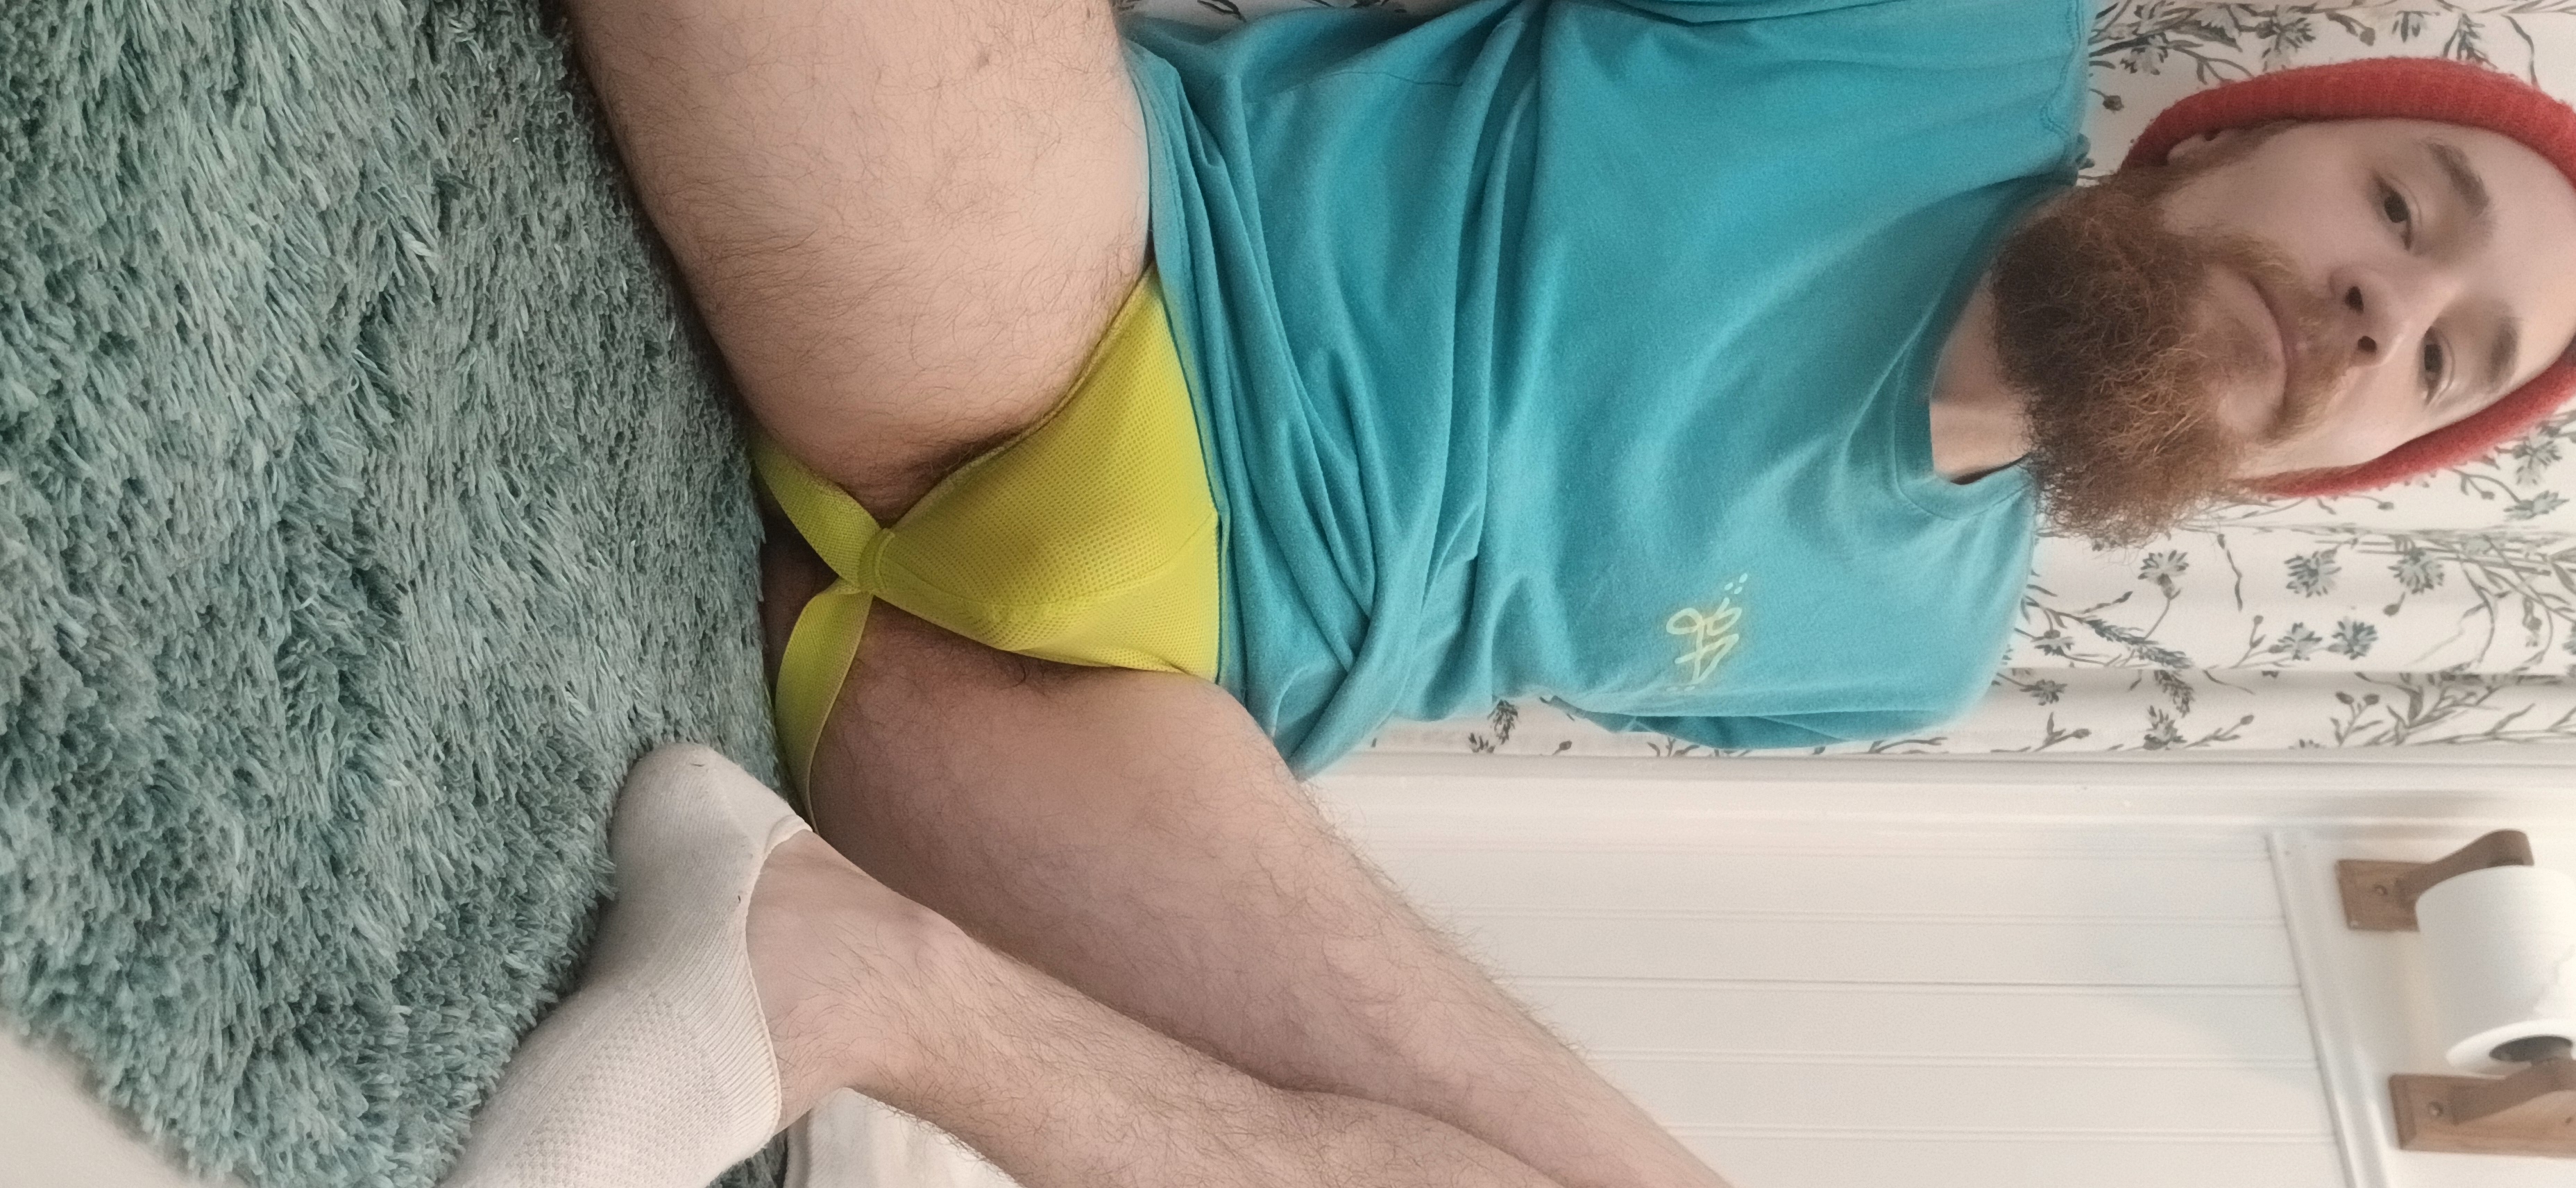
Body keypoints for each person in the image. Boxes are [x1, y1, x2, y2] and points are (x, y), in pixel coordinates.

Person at [437, 0, 2576, 1183]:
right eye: (2407, 208)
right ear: (2216, 141)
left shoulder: (1912, 655)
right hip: (1081, 288)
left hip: (1111, 716)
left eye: (2442, 364)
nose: (2384, 312)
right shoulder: (1948, 40)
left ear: (2330, 470)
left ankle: (843, 982)